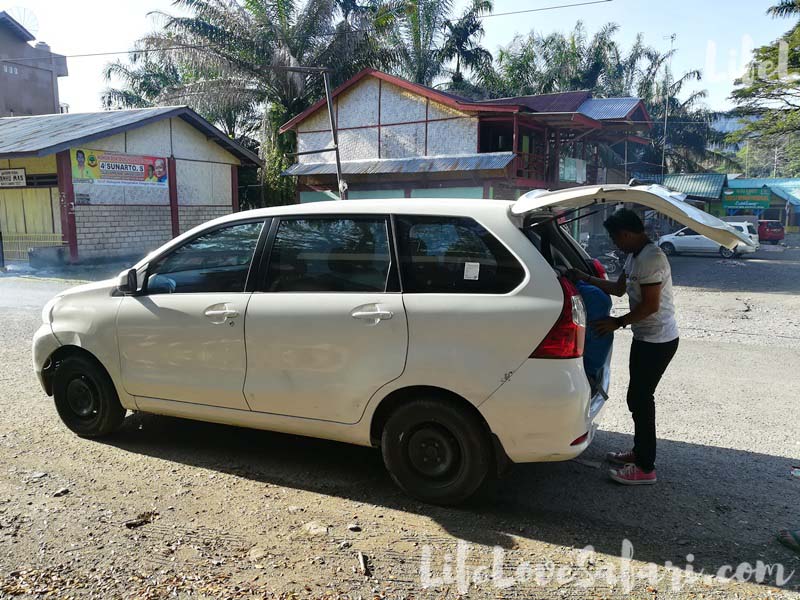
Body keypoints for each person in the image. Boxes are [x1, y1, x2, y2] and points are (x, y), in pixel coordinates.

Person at [568, 208, 679, 486]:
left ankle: (645, 467)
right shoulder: (634, 256)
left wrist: (617, 322)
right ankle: (639, 453)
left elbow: (651, 305)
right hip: (645, 338)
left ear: (627, 234)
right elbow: (618, 289)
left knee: (641, 400)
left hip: (658, 340)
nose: (615, 244)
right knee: (637, 398)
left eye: (616, 238)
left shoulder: (651, 259)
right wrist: (584, 278)